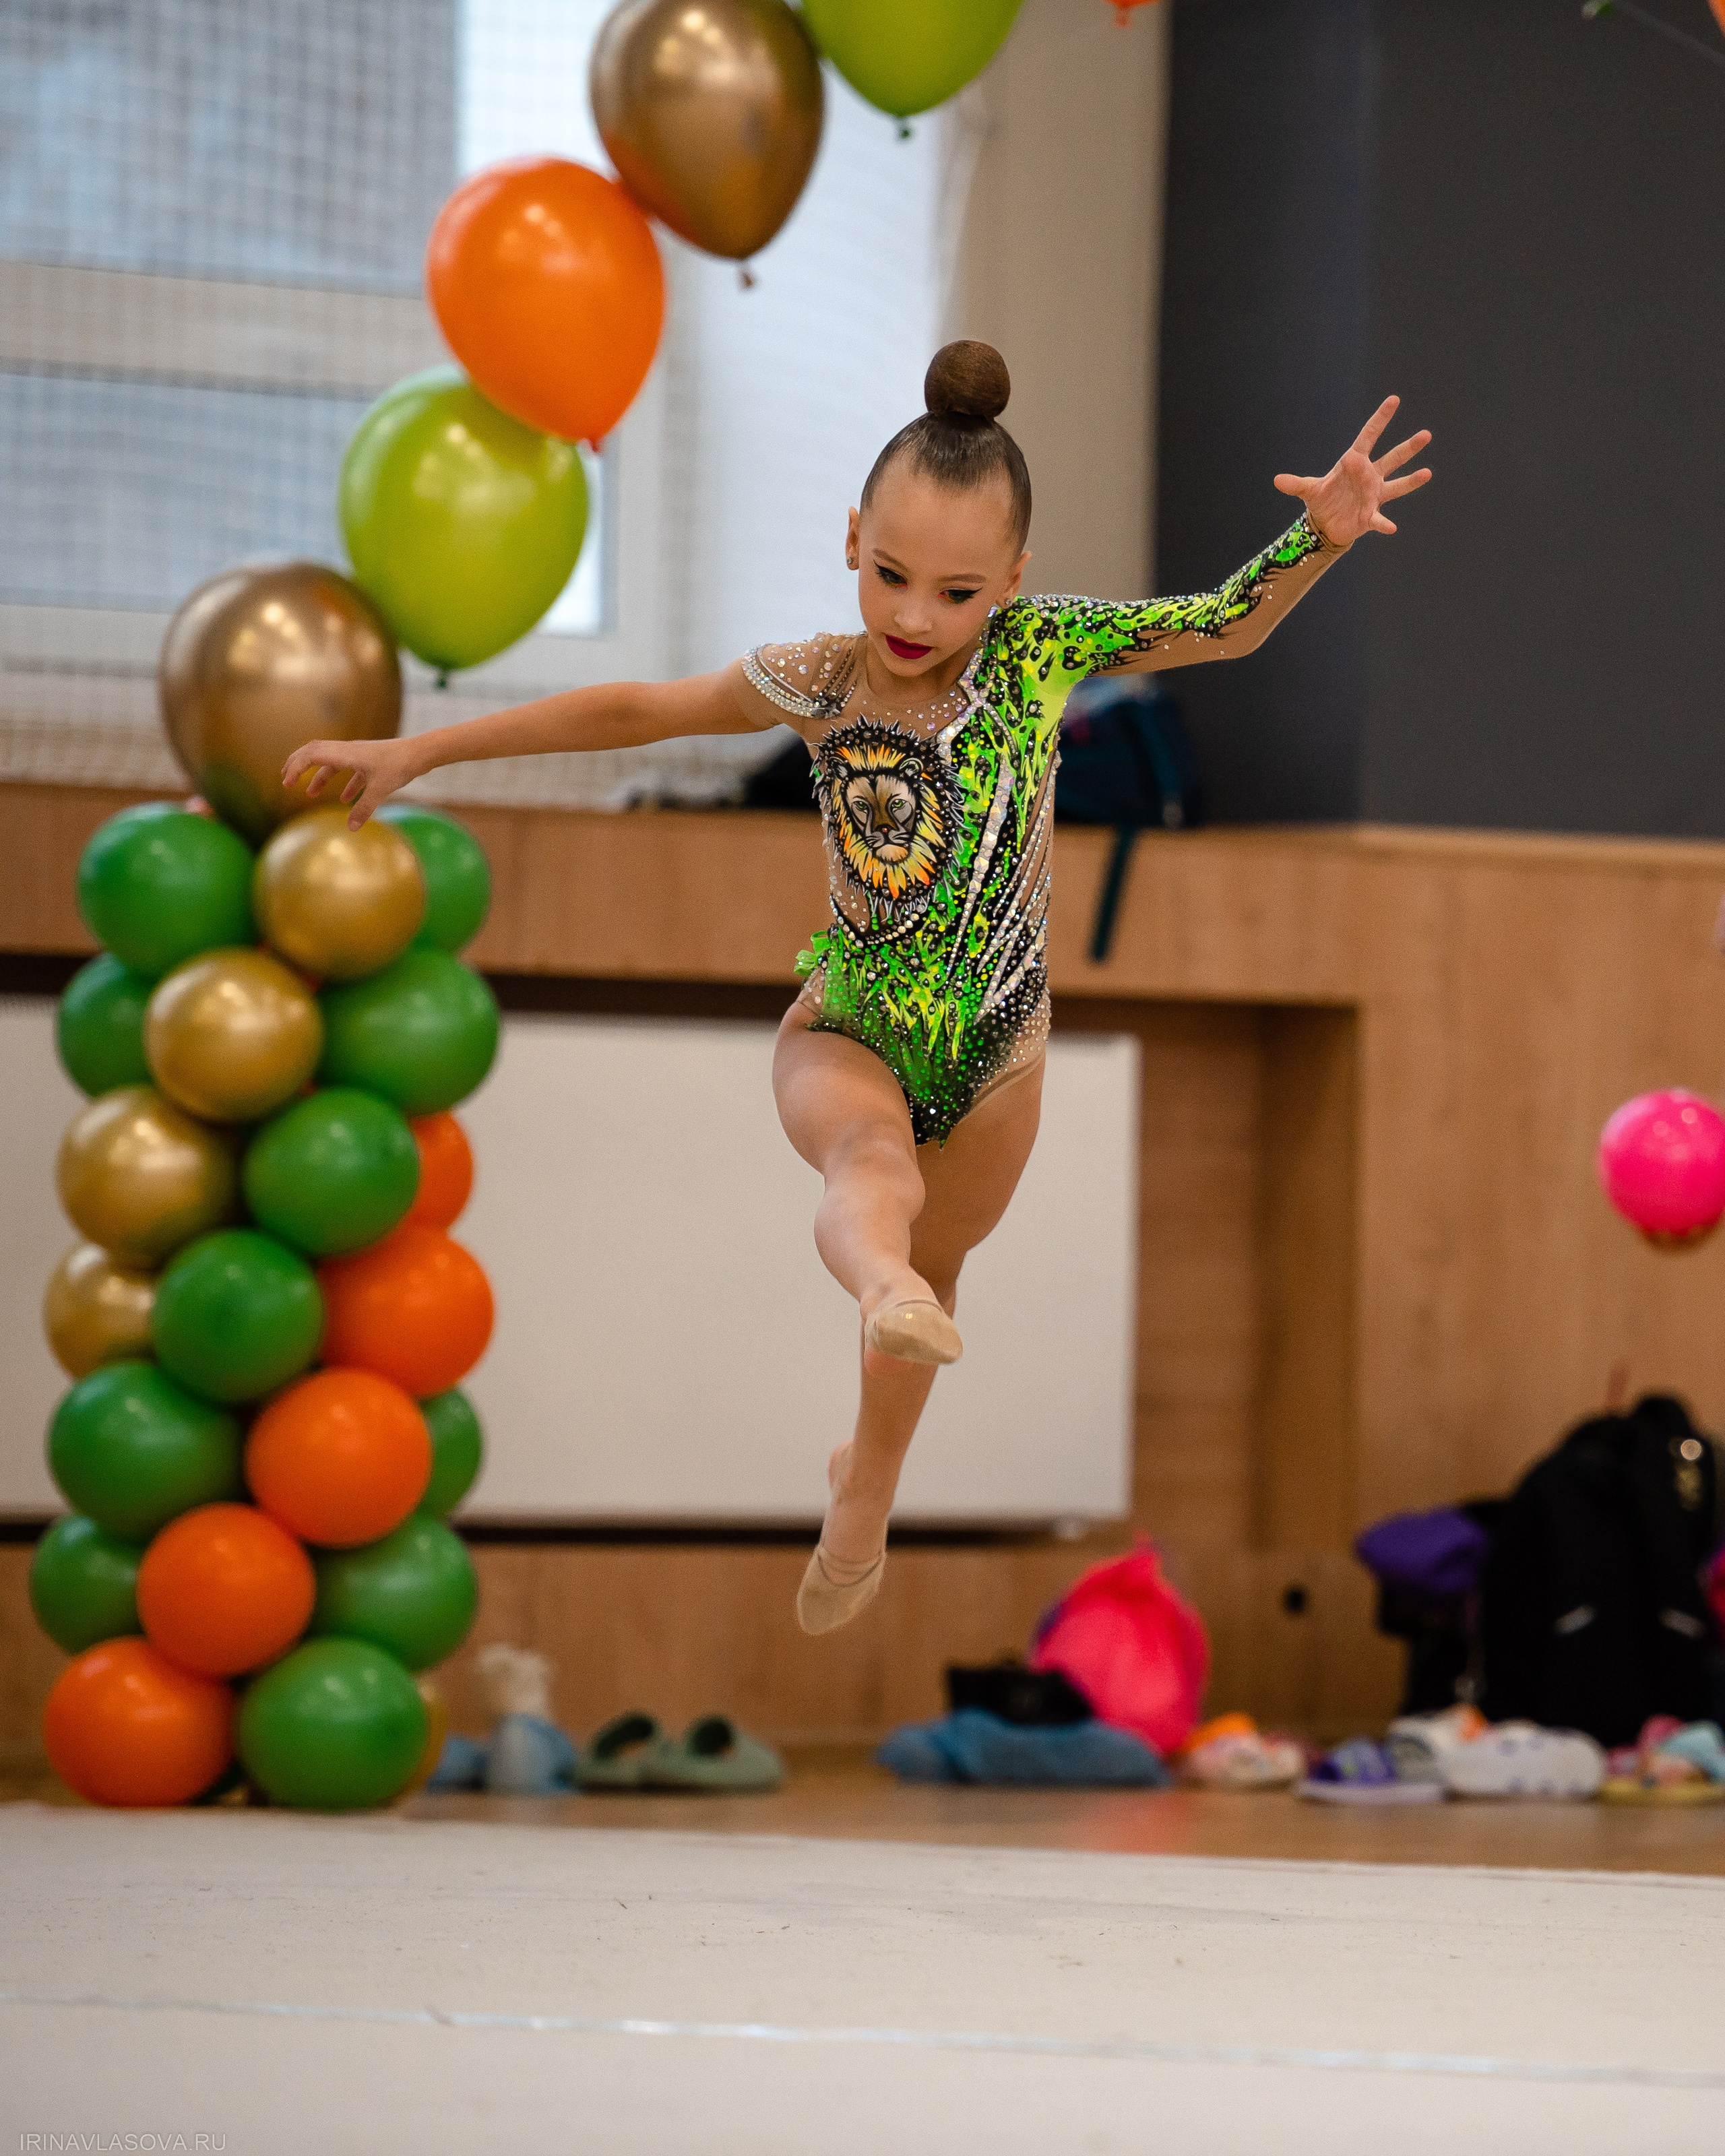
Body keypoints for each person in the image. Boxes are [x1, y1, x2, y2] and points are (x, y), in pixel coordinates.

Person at [284, 341, 1432, 1637]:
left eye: (953, 590)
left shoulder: (1042, 654)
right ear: (850, 541)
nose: (914, 615)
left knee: (931, 1285)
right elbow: (633, 714)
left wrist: (1317, 540)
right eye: (890, 574)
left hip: (1000, 1051)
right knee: (872, 1177)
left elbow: (1219, 623)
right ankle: (883, 1288)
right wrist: (423, 747)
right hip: (847, 1025)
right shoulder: (820, 680)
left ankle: (866, 1482)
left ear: (1013, 583)